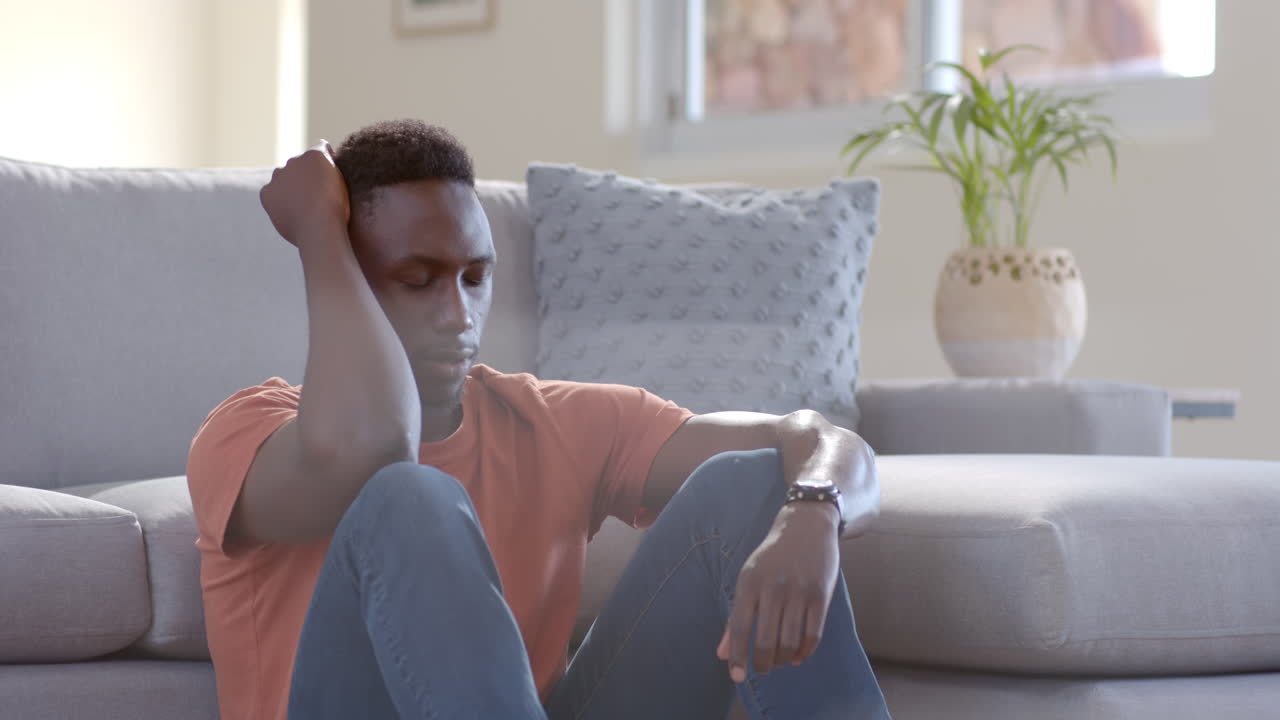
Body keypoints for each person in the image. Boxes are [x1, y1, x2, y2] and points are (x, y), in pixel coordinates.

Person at [187, 119, 892, 720]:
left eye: (474, 278)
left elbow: (819, 439)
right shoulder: (245, 435)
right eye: (417, 280)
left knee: (752, 485)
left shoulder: (551, 420)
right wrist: (318, 227)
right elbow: (373, 450)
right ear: (352, 284)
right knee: (408, 495)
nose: (459, 316)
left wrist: (813, 511)